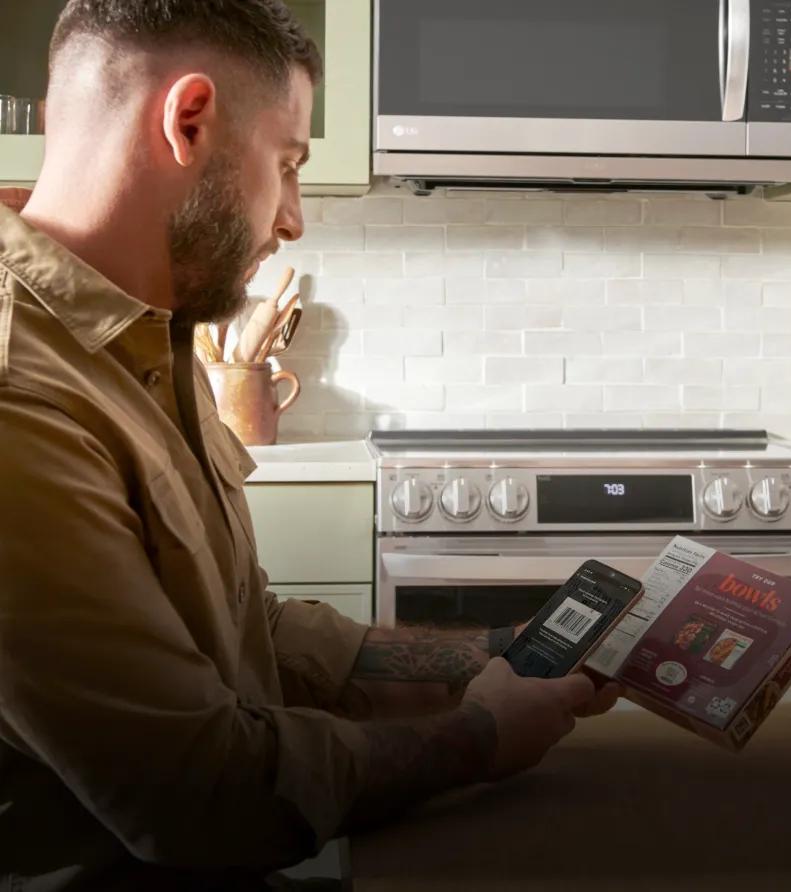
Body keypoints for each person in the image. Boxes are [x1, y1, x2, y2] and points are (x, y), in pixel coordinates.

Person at [0, 2, 619, 889]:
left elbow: (249, 633)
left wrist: (492, 654)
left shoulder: (147, 340)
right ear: (189, 121)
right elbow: (199, 794)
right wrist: (480, 738)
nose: (292, 218)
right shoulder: (21, 394)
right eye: (287, 164)